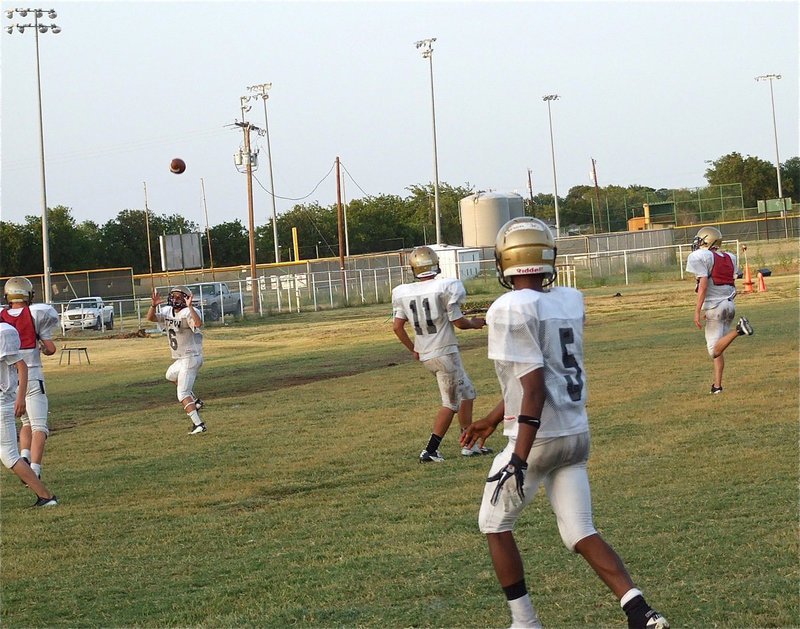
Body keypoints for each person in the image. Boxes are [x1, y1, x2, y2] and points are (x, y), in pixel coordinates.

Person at [461, 217, 669, 629]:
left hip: (537, 438)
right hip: (576, 434)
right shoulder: (570, 299)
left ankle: (525, 622)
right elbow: (541, 375)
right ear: (547, 256)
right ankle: (640, 611)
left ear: (504, 260)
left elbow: (534, 387)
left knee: (494, 525)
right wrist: (490, 417)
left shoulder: (508, 308)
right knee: (579, 530)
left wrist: (518, 456)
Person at [392, 246, 492, 463]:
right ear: (435, 264)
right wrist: (475, 323)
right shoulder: (446, 286)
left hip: (428, 354)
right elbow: (459, 322)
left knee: (468, 392)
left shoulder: (404, 292)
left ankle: (468, 444)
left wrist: (414, 349)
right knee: (451, 403)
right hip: (445, 352)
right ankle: (430, 450)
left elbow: (397, 327)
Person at [0, 276, 59, 481]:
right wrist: (44, 347)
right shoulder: (36, 314)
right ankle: (34, 471)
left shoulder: (1, 316)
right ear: (28, 294)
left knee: (25, 422)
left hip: (9, 381)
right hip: (32, 375)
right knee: (39, 426)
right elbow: (50, 348)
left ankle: (24, 457)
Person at [685, 226, 753, 394]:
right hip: (729, 305)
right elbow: (731, 281)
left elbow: (703, 285)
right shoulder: (730, 256)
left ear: (709, 240)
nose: (698, 243)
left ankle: (739, 330)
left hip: (716, 308)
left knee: (714, 351)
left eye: (700, 240)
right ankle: (717, 386)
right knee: (719, 348)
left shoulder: (701, 256)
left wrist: (696, 311)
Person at [1, 320, 59, 506]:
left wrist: (20, 398)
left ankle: (46, 496)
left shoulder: (3, 333)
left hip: (2, 402)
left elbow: (21, 366)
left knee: (9, 454)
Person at [146, 286, 207, 435]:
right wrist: (153, 306)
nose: (175, 299)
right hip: (182, 358)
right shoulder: (167, 311)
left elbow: (198, 324)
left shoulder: (189, 311)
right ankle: (195, 402)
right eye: (173, 296)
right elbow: (151, 318)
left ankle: (199, 425)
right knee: (170, 375)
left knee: (182, 394)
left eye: (179, 297)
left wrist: (190, 307)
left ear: (186, 298)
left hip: (191, 356)